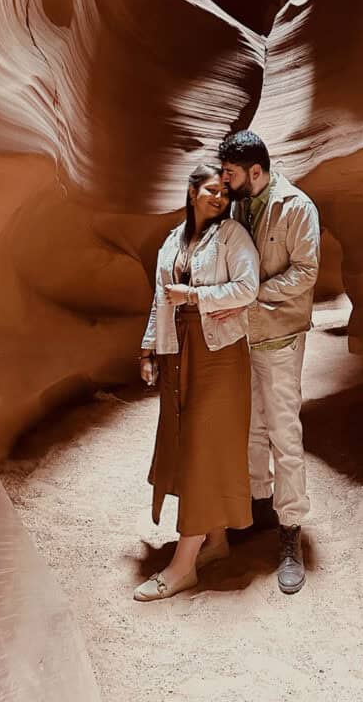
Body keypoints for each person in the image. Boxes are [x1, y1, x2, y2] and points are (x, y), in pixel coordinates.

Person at [134, 164, 260, 602]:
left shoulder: (232, 237)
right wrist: (148, 350)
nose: (219, 197)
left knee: (204, 447)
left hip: (219, 355)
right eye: (211, 189)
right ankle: (216, 540)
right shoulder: (173, 241)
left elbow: (247, 287)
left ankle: (183, 566)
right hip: (178, 349)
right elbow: (159, 300)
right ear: (191, 193)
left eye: (224, 191)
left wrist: (194, 296)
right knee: (188, 441)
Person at [215, 131, 320, 594]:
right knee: (251, 427)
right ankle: (259, 508)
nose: (224, 180)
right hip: (246, 337)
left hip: (279, 337)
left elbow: (306, 271)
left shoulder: (296, 207)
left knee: (283, 432)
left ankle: (290, 532)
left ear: (254, 171)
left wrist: (253, 294)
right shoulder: (239, 205)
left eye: (230, 173)